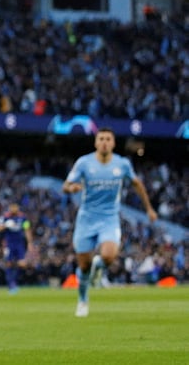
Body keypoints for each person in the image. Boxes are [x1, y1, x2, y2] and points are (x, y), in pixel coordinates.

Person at [62, 127, 157, 317]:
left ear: (113, 143)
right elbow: (66, 185)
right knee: (83, 266)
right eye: (101, 138)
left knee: (109, 255)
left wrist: (149, 208)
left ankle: (99, 267)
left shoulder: (122, 164)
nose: (104, 142)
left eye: (108, 139)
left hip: (109, 218)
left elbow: (137, 184)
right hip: (87, 218)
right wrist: (72, 189)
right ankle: (82, 299)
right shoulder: (84, 162)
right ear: (96, 142)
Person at [0, 201, 34, 293]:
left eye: (15, 206)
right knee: (8, 263)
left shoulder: (23, 217)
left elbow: (27, 229)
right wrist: (6, 225)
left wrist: (30, 243)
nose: (14, 209)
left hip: (19, 243)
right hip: (9, 243)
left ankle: (14, 282)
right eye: (12, 207)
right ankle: (11, 284)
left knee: (22, 264)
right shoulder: (4, 217)